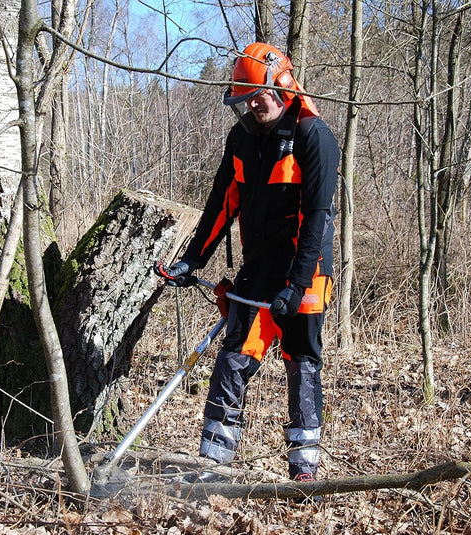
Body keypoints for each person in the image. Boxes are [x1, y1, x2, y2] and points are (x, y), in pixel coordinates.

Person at [159, 42, 339, 485]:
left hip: (305, 271)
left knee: (302, 363)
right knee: (234, 359)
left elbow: (317, 217)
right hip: (257, 271)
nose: (252, 105)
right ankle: (212, 468)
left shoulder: (313, 136)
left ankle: (304, 470)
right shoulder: (242, 139)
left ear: (281, 85)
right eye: (245, 98)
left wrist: (296, 286)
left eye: (257, 95)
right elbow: (222, 202)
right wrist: (193, 258)